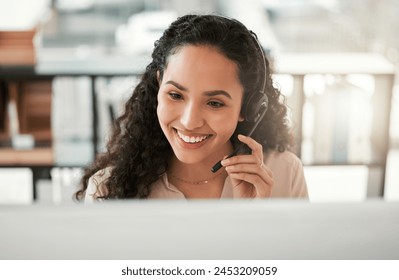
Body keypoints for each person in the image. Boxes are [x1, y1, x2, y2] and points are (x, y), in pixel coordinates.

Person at [75, 14, 308, 202]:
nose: (189, 121)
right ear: (159, 86)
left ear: (248, 107)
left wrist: (254, 219)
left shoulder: (285, 173)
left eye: (214, 103)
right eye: (175, 95)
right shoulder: (108, 189)